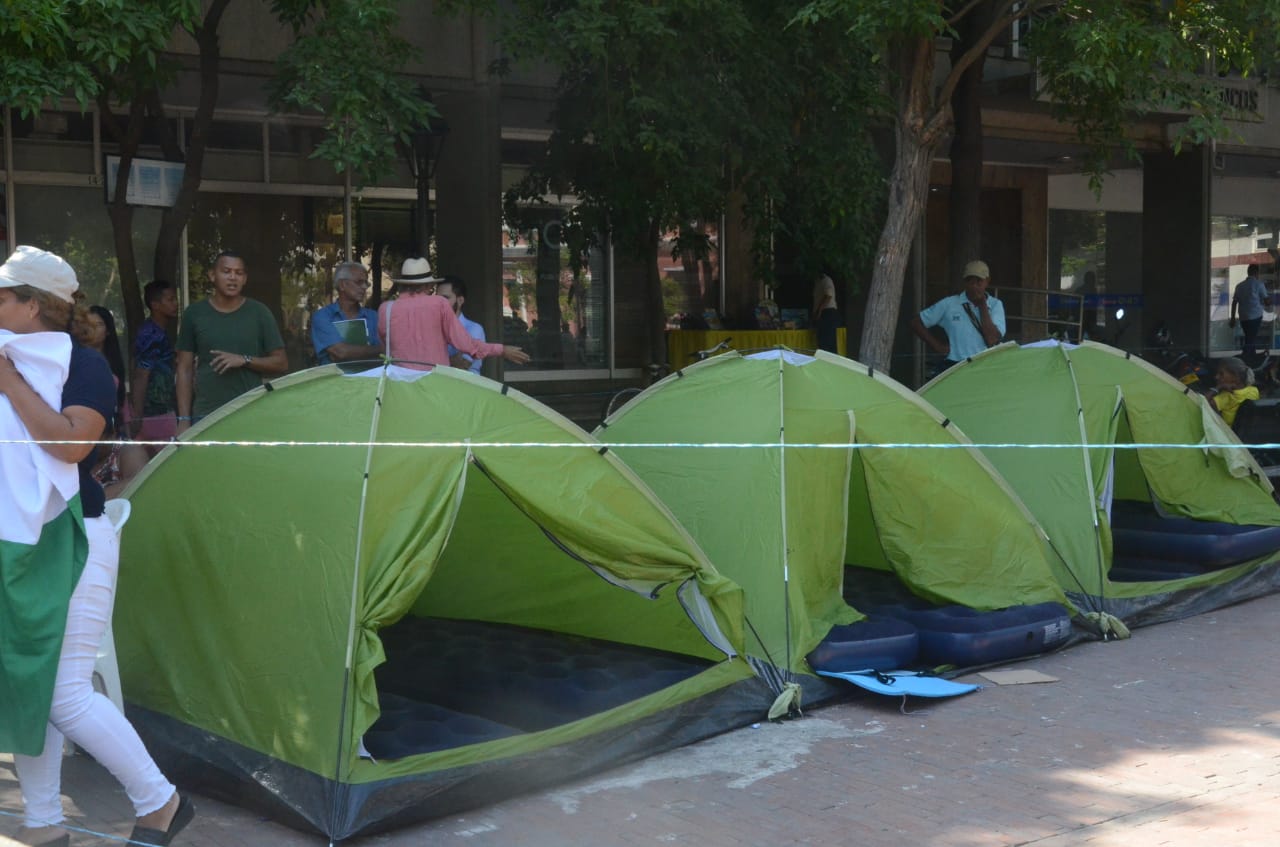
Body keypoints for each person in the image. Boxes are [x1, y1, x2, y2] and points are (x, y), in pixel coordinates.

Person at [0, 246, 194, 847]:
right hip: (21, 544)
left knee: (65, 694)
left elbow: (69, 447)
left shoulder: (83, 366)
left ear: (34, 305)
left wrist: (7, 380)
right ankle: (42, 824)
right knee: (33, 684)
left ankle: (160, 801)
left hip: (77, 537)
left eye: (3, 295)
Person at [175, 251, 287, 434]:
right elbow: (184, 369)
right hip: (206, 413)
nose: (232, 277)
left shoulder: (259, 313)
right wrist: (184, 419)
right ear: (212, 275)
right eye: (226, 271)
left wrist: (244, 359)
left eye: (239, 273)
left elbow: (281, 363)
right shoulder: (194, 314)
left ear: (245, 279)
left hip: (250, 411)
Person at [377, 257, 529, 371]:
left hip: (400, 386)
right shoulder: (439, 304)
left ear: (403, 284)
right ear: (429, 285)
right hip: (434, 383)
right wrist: (501, 350)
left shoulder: (386, 309)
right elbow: (467, 345)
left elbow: (385, 350)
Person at [910, 259, 1005, 373]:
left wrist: (982, 306)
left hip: (986, 364)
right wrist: (938, 346)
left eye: (979, 281)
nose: (974, 286)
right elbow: (916, 322)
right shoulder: (949, 304)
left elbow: (992, 339)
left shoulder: (995, 305)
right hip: (956, 365)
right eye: (970, 281)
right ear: (964, 282)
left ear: (987, 281)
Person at [129, 280, 180, 453]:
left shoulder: (158, 331)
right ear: (155, 305)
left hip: (160, 410)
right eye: (171, 299)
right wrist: (137, 413)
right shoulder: (151, 333)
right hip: (154, 413)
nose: (176, 304)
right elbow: (141, 374)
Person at [310, 261, 383, 365]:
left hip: (369, 379)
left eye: (366, 283)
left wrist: (350, 352)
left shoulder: (374, 316)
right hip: (334, 379)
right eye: (359, 282)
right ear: (342, 285)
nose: (364, 287)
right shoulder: (322, 317)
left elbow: (386, 353)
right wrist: (378, 350)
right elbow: (341, 352)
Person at [436, 275, 484, 374]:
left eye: (445, 298)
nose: (439, 303)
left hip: (467, 387)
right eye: (437, 298)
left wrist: (430, 362)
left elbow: (462, 364)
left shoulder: (474, 328)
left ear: (460, 300)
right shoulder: (434, 328)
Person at [1229, 263, 1271, 360]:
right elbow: (1267, 301)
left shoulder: (1239, 286)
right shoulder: (1259, 284)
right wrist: (1269, 300)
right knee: (1250, 339)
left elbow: (1234, 303)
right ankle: (1243, 358)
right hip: (1255, 316)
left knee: (1249, 337)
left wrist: (1232, 318)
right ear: (1256, 273)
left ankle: (1253, 357)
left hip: (1243, 317)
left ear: (1248, 273)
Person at [1210, 356, 1260, 427]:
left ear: (1236, 377)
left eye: (1221, 374)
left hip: (1227, 434)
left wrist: (1218, 388)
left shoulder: (1228, 396)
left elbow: (1203, 404)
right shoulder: (1254, 391)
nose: (1216, 377)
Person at [811, 273, 840, 354]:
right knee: (822, 341)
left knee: (827, 342)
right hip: (821, 313)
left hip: (828, 312)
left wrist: (819, 311)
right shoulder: (817, 282)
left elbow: (828, 296)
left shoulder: (826, 280)